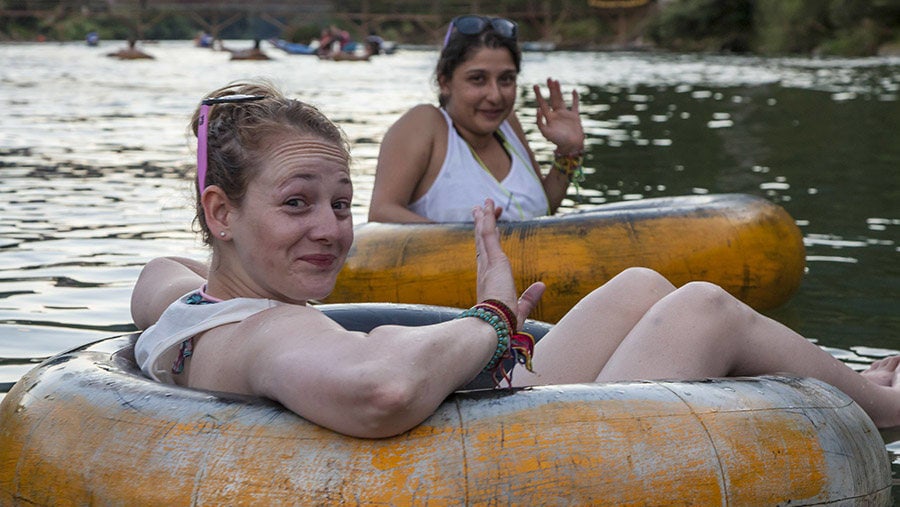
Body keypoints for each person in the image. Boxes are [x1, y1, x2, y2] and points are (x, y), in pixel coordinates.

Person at [132, 80, 900, 440]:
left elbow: (157, 271)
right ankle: (887, 412)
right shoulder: (269, 337)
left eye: (338, 203)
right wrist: (493, 318)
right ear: (221, 212)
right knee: (702, 307)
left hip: (490, 413)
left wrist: (239, 259)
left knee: (637, 285)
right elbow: (383, 387)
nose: (331, 228)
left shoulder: (182, 303)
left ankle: (844, 379)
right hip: (522, 458)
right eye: (296, 203)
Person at [367, 15, 585, 223]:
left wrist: (568, 152)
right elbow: (381, 213)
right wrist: (479, 239)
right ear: (445, 82)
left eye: (506, 79)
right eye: (478, 79)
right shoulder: (425, 123)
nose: (495, 95)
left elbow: (541, 211)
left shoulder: (508, 122)